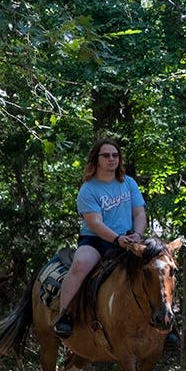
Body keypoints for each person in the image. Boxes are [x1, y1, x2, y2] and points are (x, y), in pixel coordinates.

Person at [53, 138, 147, 338]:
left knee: (159, 265)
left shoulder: (128, 183)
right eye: (106, 155)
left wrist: (137, 235)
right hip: (95, 240)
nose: (111, 159)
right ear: (96, 159)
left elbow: (139, 213)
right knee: (80, 264)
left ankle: (167, 322)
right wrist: (117, 239)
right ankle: (65, 315)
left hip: (130, 238)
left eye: (115, 155)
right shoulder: (88, 189)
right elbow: (95, 223)